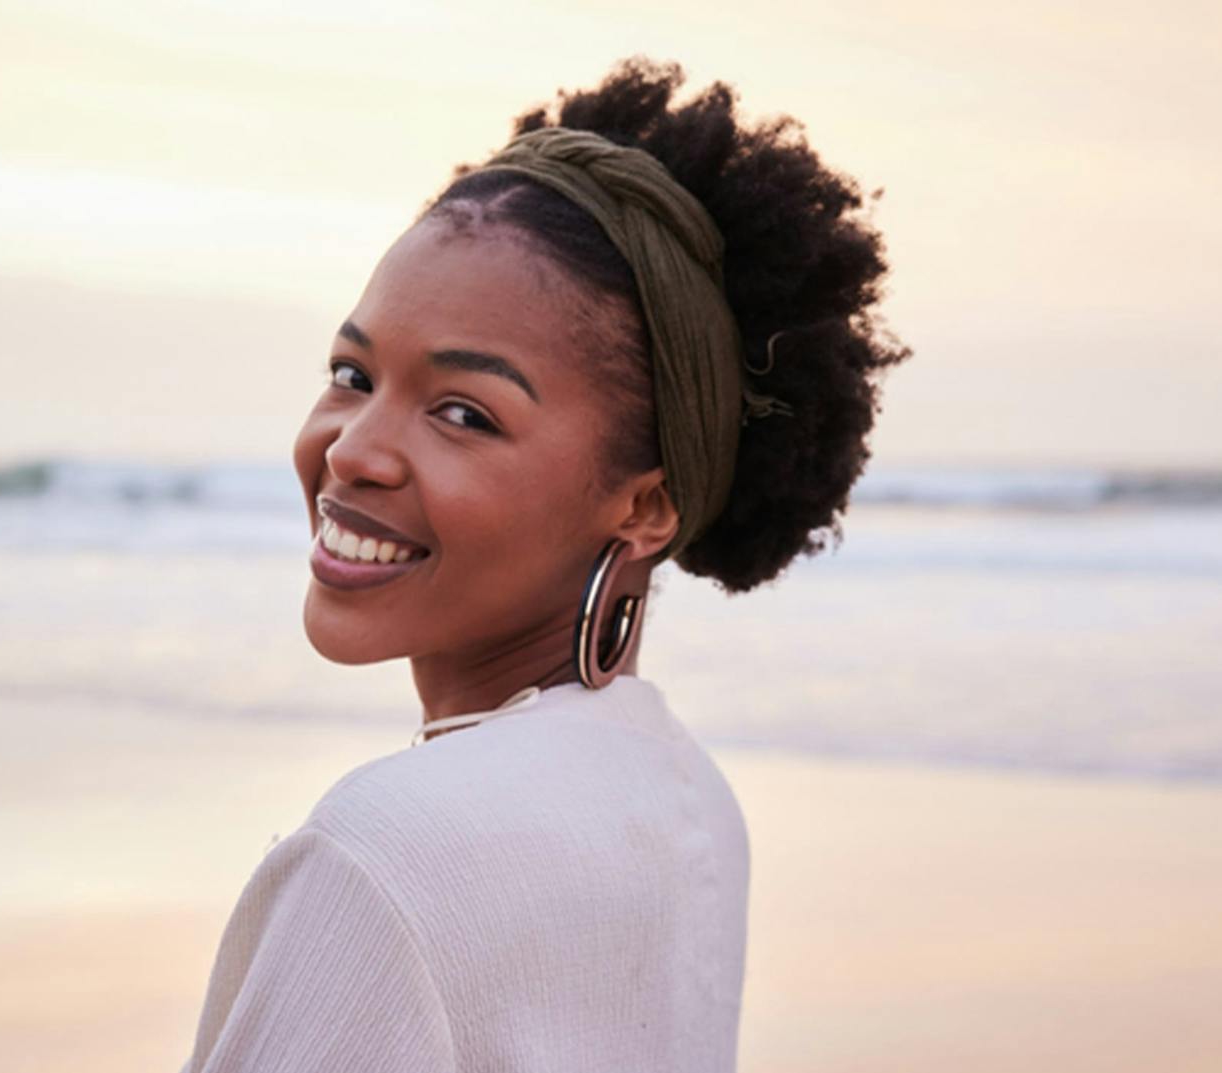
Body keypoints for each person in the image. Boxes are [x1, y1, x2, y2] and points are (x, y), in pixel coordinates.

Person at [179, 55, 909, 1073]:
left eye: (464, 413)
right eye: (352, 373)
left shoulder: (380, 855)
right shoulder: (687, 799)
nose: (352, 451)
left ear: (644, 506)